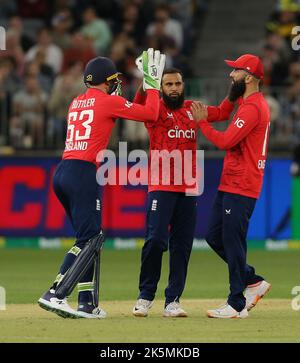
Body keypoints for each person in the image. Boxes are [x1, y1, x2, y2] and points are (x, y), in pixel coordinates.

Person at [38, 49, 165, 319]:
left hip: (63, 171)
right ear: (107, 81)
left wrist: (143, 84)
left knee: (86, 238)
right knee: (93, 238)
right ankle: (56, 293)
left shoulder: (77, 101)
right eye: (113, 80)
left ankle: (87, 303)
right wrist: (152, 84)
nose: (116, 84)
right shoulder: (108, 102)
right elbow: (152, 114)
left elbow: (117, 106)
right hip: (82, 171)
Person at [191, 54, 272, 319]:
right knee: (215, 236)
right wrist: (192, 110)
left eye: (235, 71)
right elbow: (222, 112)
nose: (230, 75)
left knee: (233, 241)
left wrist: (201, 123)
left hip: (243, 182)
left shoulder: (252, 108)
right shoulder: (242, 99)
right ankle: (253, 281)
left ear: (248, 77)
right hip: (232, 181)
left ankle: (236, 303)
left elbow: (225, 141)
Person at [132, 67, 199, 318]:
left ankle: (173, 300)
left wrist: (239, 89)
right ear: (161, 88)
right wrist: (146, 81)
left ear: (183, 85)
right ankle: (145, 296)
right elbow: (135, 105)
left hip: (189, 188)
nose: (173, 88)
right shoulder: (155, 108)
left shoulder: (193, 109)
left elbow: (223, 112)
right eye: (168, 84)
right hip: (161, 186)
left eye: (177, 84)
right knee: (156, 241)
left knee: (182, 246)